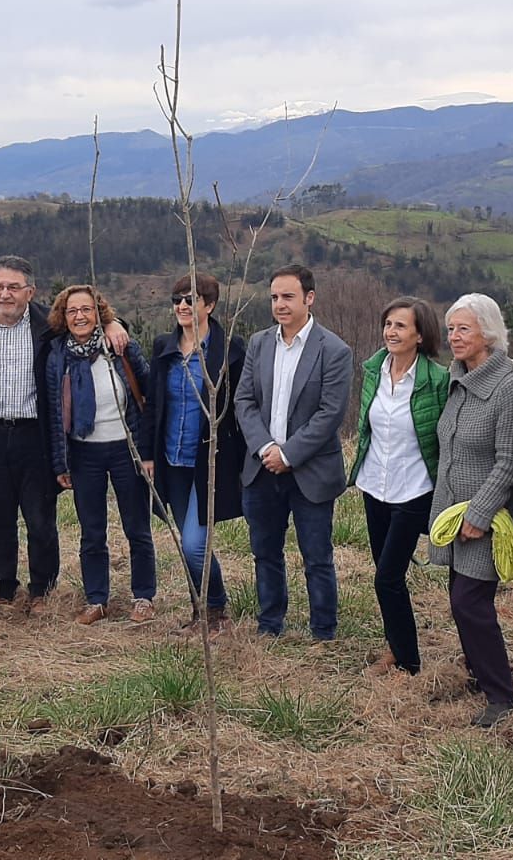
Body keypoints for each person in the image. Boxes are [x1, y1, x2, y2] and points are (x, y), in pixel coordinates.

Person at [0, 255, 127, 616]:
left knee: (39, 516)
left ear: (30, 292)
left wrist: (113, 324)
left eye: (14, 287)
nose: (5, 294)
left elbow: (87, 321)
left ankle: (41, 591)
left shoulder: (48, 326)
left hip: (35, 434)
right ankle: (1, 587)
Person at [233, 264, 353, 641]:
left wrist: (288, 455)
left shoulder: (334, 350)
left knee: (317, 557)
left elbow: (330, 414)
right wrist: (267, 448)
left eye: (288, 297)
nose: (280, 305)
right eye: (274, 298)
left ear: (309, 298)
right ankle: (270, 625)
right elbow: (244, 400)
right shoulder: (259, 343)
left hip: (311, 473)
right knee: (265, 553)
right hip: (262, 470)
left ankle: (323, 631)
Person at [427, 293, 513, 728]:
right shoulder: (458, 379)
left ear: (487, 331)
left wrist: (479, 514)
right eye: (451, 329)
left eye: (463, 328)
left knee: (471, 602)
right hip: (452, 512)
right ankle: (478, 673)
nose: (454, 337)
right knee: (459, 599)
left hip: (484, 519)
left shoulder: (505, 386)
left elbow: (509, 461)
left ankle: (502, 696)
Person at [44, 284, 157, 625]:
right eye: (72, 311)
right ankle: (96, 599)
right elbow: (53, 413)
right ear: (63, 317)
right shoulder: (57, 356)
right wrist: (60, 461)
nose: (79, 316)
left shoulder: (119, 346)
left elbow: (148, 392)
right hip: (83, 453)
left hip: (126, 448)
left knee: (137, 527)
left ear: (99, 314)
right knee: (92, 531)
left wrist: (148, 452)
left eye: (86, 309)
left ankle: (143, 597)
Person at [348, 296, 448, 675]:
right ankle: (395, 645)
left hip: (414, 489)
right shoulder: (374, 370)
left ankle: (408, 660)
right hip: (375, 485)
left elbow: (444, 438)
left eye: (400, 325)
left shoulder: (437, 380)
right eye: (388, 324)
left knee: (387, 576)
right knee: (385, 573)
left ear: (420, 335)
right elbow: (365, 427)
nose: (391, 331)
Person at [150, 272, 246, 634]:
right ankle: (199, 612)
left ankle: (217, 608)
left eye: (191, 299)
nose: (183, 306)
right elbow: (152, 406)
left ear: (210, 304)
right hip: (170, 461)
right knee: (186, 543)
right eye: (177, 300)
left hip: (208, 464)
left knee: (193, 545)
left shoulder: (230, 351)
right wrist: (147, 455)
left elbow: (240, 407)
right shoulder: (164, 348)